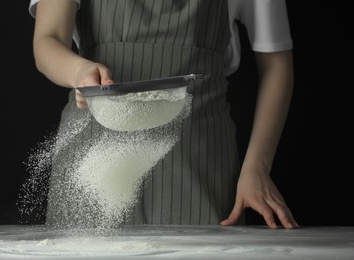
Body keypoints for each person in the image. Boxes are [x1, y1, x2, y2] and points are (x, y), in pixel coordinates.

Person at [28, 0, 299, 229]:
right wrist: (78, 72)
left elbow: (276, 63)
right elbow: (47, 40)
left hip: (200, 160)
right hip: (94, 164)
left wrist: (257, 169)